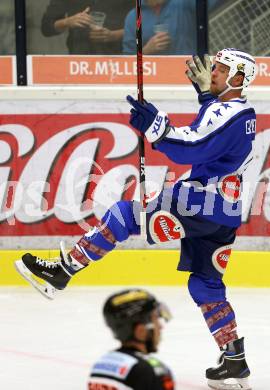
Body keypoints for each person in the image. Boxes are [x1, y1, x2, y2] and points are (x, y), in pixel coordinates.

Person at [15, 48, 256, 390]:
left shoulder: (230, 114)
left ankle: (63, 271)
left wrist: (156, 125)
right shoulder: (240, 112)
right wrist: (204, 95)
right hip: (225, 209)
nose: (212, 73)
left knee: (125, 214)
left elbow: (192, 146)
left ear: (237, 78)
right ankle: (234, 359)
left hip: (201, 201)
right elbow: (214, 130)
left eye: (219, 70)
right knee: (205, 283)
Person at [87, 288, 174, 390]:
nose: (160, 327)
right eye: (155, 320)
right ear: (140, 331)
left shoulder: (100, 366)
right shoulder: (155, 372)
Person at [123, 0, 220, 55]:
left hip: (190, 73)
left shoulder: (183, 3)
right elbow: (127, 61)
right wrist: (146, 50)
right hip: (154, 80)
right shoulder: (133, 17)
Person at [41, 0, 135, 54]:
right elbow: (46, 27)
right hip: (80, 59)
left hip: (119, 58)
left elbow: (146, 25)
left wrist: (114, 35)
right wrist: (67, 21)